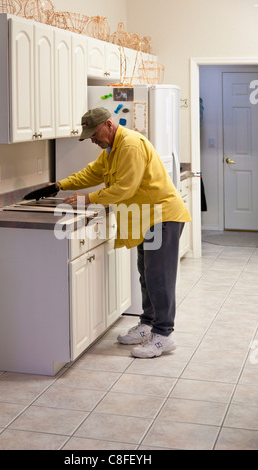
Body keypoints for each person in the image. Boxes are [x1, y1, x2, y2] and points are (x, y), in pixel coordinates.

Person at [57, 107, 191, 358]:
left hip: (162, 217)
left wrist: (89, 199)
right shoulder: (111, 150)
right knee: (146, 274)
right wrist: (60, 185)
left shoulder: (129, 145)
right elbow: (92, 173)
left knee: (159, 278)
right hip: (145, 219)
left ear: (108, 124)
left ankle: (163, 335)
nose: (93, 140)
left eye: (94, 133)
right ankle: (148, 324)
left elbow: (124, 189)